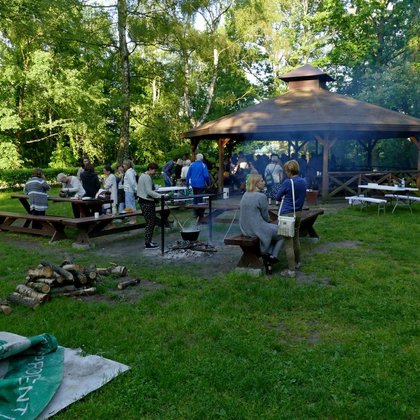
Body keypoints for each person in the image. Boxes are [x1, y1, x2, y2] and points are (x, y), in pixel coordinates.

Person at [239, 174, 283, 265]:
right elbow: (265, 217)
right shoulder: (261, 196)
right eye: (262, 181)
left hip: (245, 229)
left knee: (271, 230)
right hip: (257, 229)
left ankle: (268, 258)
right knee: (282, 232)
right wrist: (269, 222)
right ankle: (273, 257)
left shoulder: (245, 195)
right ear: (256, 183)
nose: (264, 182)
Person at [276, 159, 307, 278]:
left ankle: (291, 271)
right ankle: (298, 262)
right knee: (296, 239)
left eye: (286, 171)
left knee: (288, 244)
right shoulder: (303, 181)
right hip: (298, 213)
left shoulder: (287, 182)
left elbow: (278, 197)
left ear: (289, 171)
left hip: (287, 215)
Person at [137, 163, 162, 249]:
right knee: (150, 222)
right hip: (146, 201)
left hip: (142, 200)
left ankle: (149, 241)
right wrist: (160, 196)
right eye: (154, 170)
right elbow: (149, 191)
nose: (155, 172)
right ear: (150, 169)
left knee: (150, 222)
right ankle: (147, 243)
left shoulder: (142, 175)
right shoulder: (147, 177)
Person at [185, 153, 210, 223]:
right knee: (200, 199)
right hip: (200, 184)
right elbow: (206, 176)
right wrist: (208, 183)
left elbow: (188, 174)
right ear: (202, 159)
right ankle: (200, 216)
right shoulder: (203, 165)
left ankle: (195, 213)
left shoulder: (192, 164)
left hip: (193, 184)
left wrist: (187, 183)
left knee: (195, 198)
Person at [122, 159, 137, 224]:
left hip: (129, 191)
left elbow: (132, 182)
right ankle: (131, 219)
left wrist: (136, 190)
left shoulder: (129, 172)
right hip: (128, 190)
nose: (123, 166)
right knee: (129, 205)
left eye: (124, 164)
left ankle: (133, 220)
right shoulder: (129, 171)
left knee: (130, 206)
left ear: (127, 165)